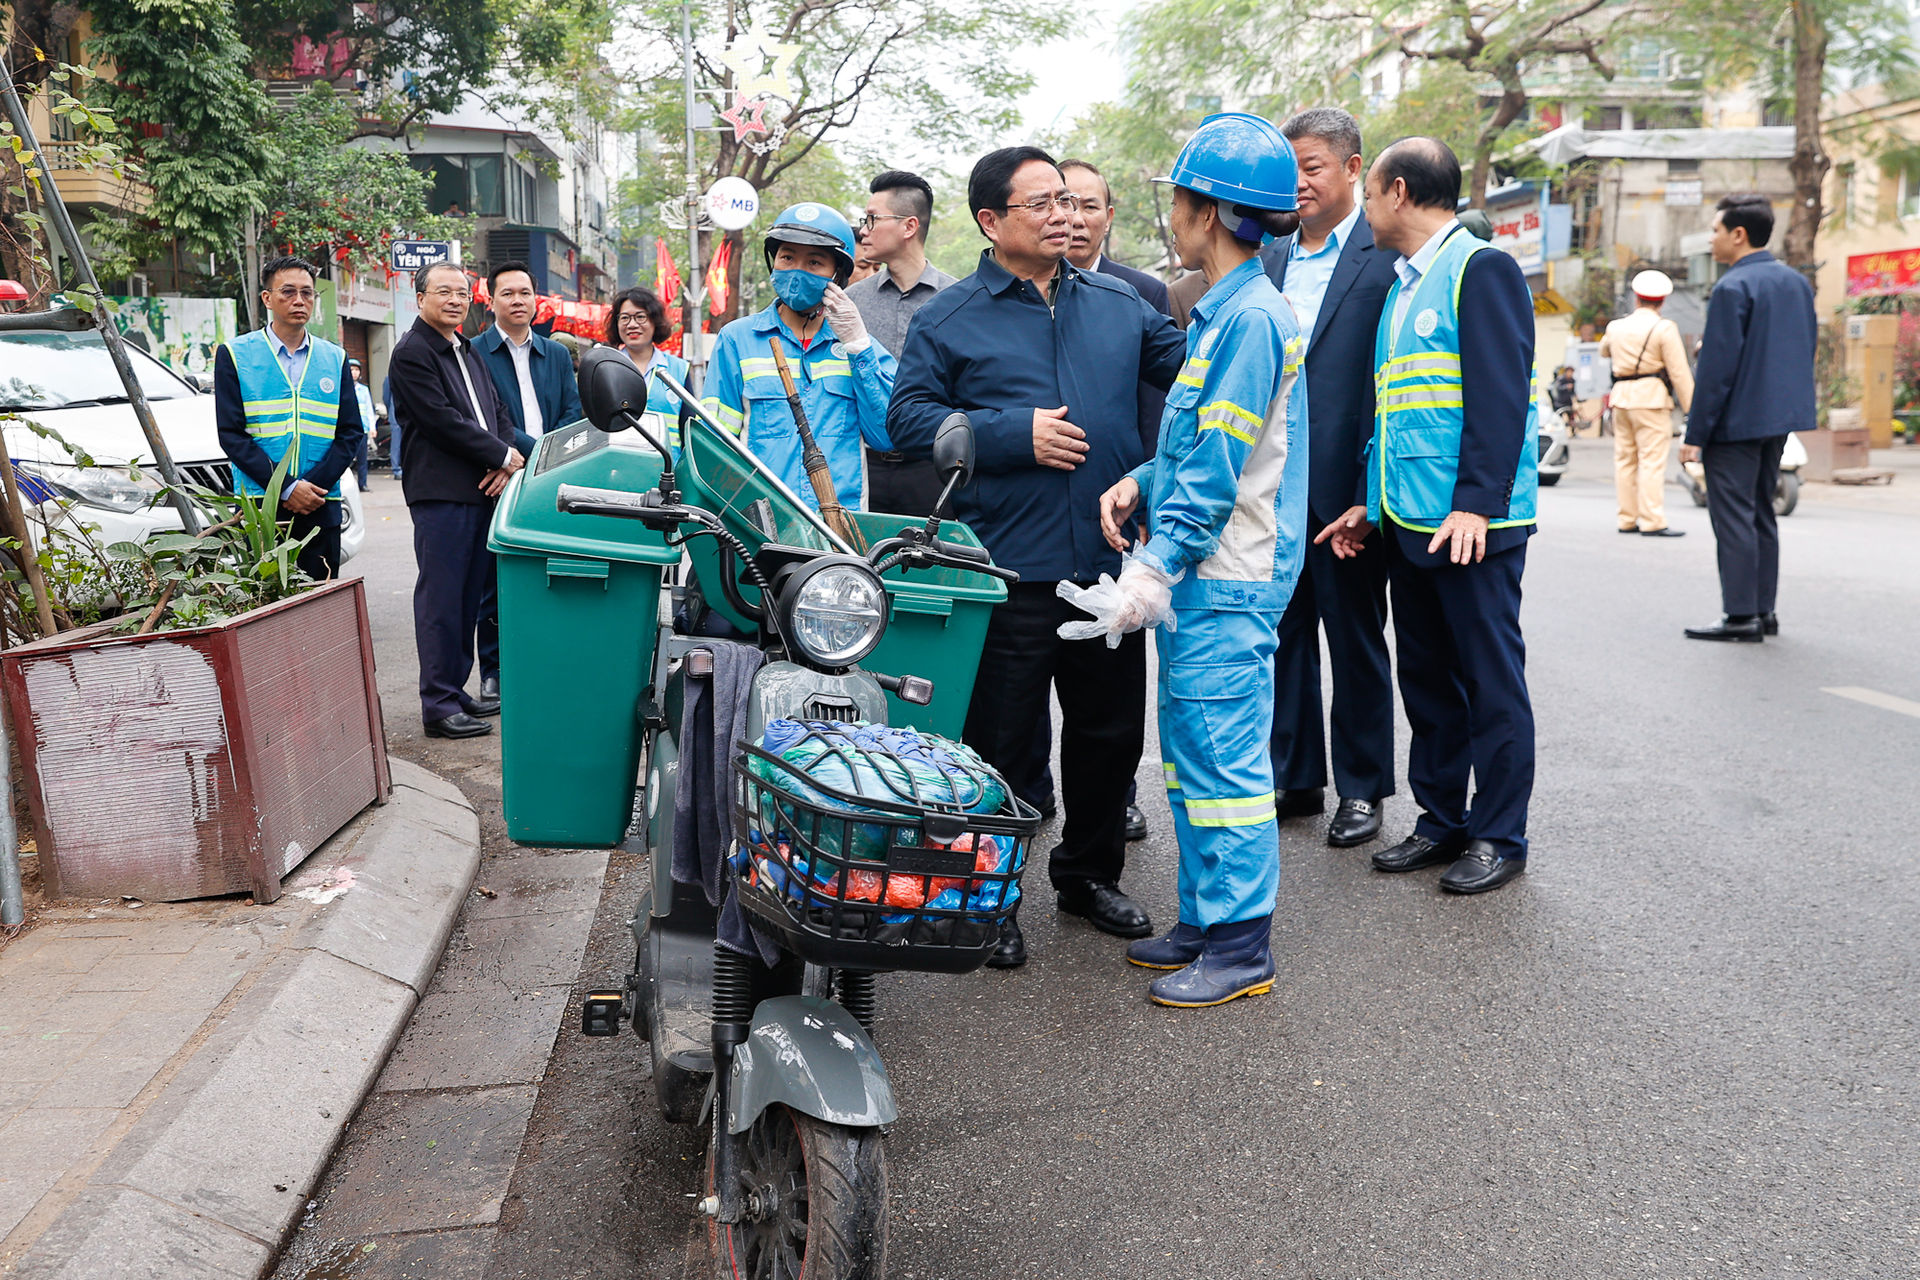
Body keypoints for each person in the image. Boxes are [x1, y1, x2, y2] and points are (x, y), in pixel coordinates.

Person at [888, 146, 1185, 969]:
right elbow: (906, 419)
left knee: (1109, 737)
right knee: (1002, 745)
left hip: (1106, 568)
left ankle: (1088, 878)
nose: (1065, 216)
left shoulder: (1121, 304)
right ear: (991, 221)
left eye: (1070, 200)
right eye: (1043, 204)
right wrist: (1007, 434)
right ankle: (994, 896)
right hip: (1006, 569)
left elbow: (1198, 374)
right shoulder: (949, 317)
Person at [1081, 113, 1308, 1007]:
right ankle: (1208, 921)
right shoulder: (1222, 313)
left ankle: (1243, 945)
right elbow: (1195, 447)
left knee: (1224, 766)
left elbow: (1217, 469)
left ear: (1207, 211)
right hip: (1204, 578)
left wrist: (1156, 564)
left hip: (1225, 576)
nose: (1171, 216)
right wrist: (1140, 480)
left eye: (1177, 201)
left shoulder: (1249, 319)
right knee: (1190, 759)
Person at [1318, 137, 1538, 896]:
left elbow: (1501, 396)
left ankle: (1499, 835)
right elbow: (1396, 413)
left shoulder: (1482, 268)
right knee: (1428, 683)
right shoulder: (1401, 286)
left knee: (1489, 683)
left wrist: (1476, 502)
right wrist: (1369, 505)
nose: (1366, 212)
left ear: (1399, 192)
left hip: (1473, 528)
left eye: (1370, 194)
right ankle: (1442, 819)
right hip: (1409, 523)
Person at [1260, 107, 1401, 850]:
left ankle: (1363, 787)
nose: (1299, 185)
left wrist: (1368, 493)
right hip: (1276, 486)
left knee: (1355, 639)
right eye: (1289, 172)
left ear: (1352, 168)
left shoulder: (1384, 255)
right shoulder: (1269, 257)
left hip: (1348, 489)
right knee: (1283, 637)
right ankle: (1296, 777)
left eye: (1312, 168)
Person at [1061, 156, 1170, 841]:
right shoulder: (1017, 295)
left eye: (1088, 205)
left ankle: (1116, 799)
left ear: (1109, 215)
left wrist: (1150, 488)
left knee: (1111, 664)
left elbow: (1162, 403)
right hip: (1042, 514)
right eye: (1061, 203)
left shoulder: (1140, 294)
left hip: (1122, 504)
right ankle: (1029, 795)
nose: (1074, 219)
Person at [389, 261, 524, 739]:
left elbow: (497, 410)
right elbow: (441, 420)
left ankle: (454, 689)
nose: (454, 300)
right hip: (441, 493)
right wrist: (502, 455)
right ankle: (438, 704)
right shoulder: (412, 352)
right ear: (420, 298)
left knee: (468, 601)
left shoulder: (464, 348)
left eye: (462, 293)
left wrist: (504, 459)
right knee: (442, 600)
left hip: (481, 489)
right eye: (443, 292)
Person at [1680, 195, 1816, 643]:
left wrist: (1695, 434)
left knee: (1733, 517)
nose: (1711, 239)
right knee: (1760, 512)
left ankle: (1740, 616)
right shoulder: (1796, 283)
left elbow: (1717, 372)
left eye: (1715, 230)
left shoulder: (1732, 287)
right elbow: (1805, 347)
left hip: (1735, 421)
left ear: (1738, 235)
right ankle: (1763, 610)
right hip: (1778, 418)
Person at [702, 203, 896, 511]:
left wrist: (858, 347)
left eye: (814, 262)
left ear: (838, 275)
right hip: (763, 519)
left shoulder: (860, 348)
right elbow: (714, 443)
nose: (797, 270)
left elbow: (886, 436)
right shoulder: (736, 339)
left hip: (839, 523)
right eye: (787, 257)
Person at [471, 260, 585, 705]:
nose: (517, 301)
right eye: (507, 293)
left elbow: (573, 410)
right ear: (491, 300)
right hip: (501, 476)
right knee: (496, 578)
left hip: (553, 477)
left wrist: (550, 456)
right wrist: (527, 455)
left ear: (536, 299)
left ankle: (544, 665)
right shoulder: (474, 352)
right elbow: (481, 417)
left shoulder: (555, 353)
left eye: (525, 293)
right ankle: (494, 670)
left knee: (549, 574)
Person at [214, 255, 365, 582]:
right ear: (267, 298)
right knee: (263, 599)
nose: (299, 300)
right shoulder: (235, 355)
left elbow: (351, 432)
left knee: (319, 597)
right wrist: (286, 487)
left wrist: (313, 487)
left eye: (307, 293)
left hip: (321, 503)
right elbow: (231, 435)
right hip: (260, 505)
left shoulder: (334, 357)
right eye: (288, 292)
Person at [845, 170, 956, 515]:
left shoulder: (958, 300)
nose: (864, 230)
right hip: (863, 469)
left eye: (872, 219)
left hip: (932, 469)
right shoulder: (852, 303)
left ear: (909, 226)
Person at [1600, 270, 1695, 538]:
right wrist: (1692, 410)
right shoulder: (1664, 328)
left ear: (1636, 299)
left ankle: (1627, 518)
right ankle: (1652, 520)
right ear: (1662, 302)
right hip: (1651, 398)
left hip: (1621, 398)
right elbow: (1679, 372)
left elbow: (1604, 350)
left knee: (1625, 460)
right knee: (1651, 461)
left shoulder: (1615, 327)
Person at [605, 285, 691, 446]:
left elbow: (688, 430)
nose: (632, 324)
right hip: (620, 459)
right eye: (624, 318)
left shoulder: (679, 369)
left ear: (655, 321)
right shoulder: (606, 368)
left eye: (640, 317)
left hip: (667, 460)